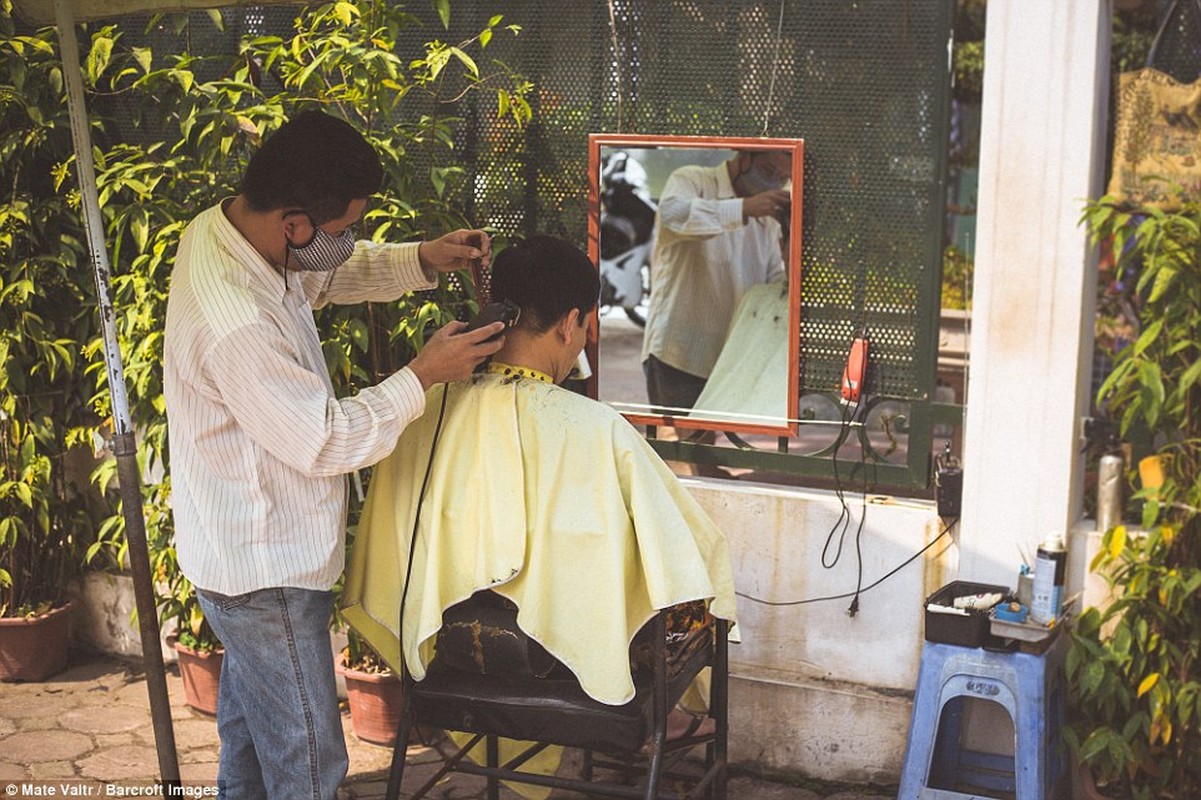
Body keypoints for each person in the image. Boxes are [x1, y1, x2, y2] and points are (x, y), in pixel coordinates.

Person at [162, 110, 507, 800]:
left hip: (237, 554)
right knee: (308, 762)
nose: (347, 243)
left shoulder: (230, 230)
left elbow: (320, 278)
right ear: (293, 222)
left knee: (254, 744)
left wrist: (420, 258)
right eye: (343, 229)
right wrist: (422, 376)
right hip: (266, 572)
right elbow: (325, 440)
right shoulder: (234, 319)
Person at [340, 234, 737, 711]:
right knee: (695, 591)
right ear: (571, 324)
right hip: (562, 675)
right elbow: (689, 554)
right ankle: (655, 724)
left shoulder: (420, 410)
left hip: (449, 659)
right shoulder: (598, 428)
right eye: (586, 324)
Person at [642, 149, 791, 413]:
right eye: (768, 171)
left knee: (708, 448)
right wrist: (744, 208)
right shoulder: (693, 180)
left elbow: (774, 282)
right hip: (680, 351)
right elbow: (672, 215)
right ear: (745, 158)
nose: (773, 183)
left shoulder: (768, 222)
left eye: (782, 178)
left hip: (728, 356)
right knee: (676, 445)